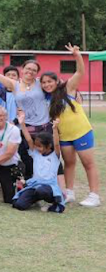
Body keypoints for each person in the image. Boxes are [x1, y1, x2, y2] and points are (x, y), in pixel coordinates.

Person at [40, 44, 100, 207]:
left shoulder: (68, 88)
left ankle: (94, 195)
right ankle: (69, 193)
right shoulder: (47, 99)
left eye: (49, 81)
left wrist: (77, 55)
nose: (47, 84)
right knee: (69, 163)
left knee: (88, 163)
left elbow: (80, 71)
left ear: (56, 81)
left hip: (81, 132)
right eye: (44, 82)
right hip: (64, 136)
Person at [14, 113, 65, 212]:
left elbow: (57, 144)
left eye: (40, 146)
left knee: (42, 190)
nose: (37, 148)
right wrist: (22, 124)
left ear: (49, 146)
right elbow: (28, 139)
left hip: (49, 187)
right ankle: (34, 199)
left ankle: (53, 202)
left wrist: (54, 129)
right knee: (19, 204)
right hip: (35, 184)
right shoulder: (36, 154)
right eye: (36, 145)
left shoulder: (55, 155)